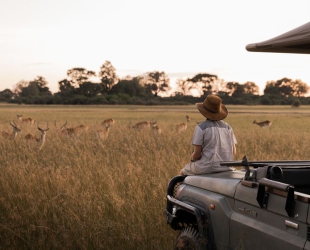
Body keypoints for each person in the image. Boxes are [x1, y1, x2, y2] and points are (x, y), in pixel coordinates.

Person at [179, 94, 237, 175]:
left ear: (204, 111)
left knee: (182, 172)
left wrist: (192, 157)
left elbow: (197, 156)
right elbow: (233, 152)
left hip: (206, 167)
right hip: (227, 167)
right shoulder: (228, 128)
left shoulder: (200, 128)